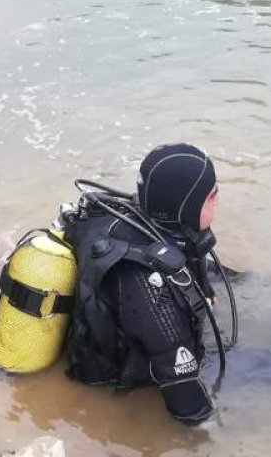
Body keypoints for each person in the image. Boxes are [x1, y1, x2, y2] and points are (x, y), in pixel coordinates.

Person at [57, 143, 222, 425]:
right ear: (187, 205)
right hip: (124, 379)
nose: (219, 201)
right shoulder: (152, 293)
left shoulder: (134, 219)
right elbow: (192, 413)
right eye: (212, 195)